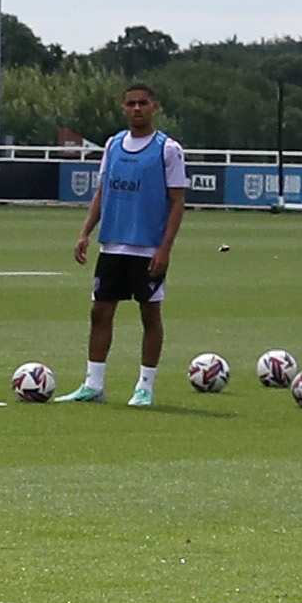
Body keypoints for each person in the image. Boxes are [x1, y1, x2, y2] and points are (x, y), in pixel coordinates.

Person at [65, 81, 188, 406]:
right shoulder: (113, 145)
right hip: (112, 246)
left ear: (154, 107)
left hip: (147, 247)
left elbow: (177, 201)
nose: (136, 109)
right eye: (131, 103)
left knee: (150, 315)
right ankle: (94, 384)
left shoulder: (167, 149)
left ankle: (145, 386)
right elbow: (103, 190)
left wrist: (165, 248)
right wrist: (85, 232)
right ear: (123, 108)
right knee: (100, 312)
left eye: (143, 103)